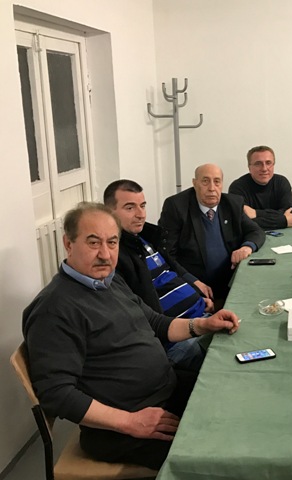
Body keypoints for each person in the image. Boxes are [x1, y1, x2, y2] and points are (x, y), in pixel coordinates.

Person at [22, 202, 240, 470]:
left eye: (112, 242)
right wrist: (131, 422)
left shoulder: (110, 281)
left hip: (166, 391)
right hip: (125, 424)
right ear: (68, 244)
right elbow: (56, 393)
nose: (105, 254)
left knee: (234, 399)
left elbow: (155, 322)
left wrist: (203, 324)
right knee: (223, 456)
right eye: (93, 243)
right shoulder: (54, 309)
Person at [104, 179, 215, 372]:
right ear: (109, 212)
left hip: (201, 316)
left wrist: (196, 296)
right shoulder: (115, 256)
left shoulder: (145, 238)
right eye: (130, 208)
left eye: (142, 206)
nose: (140, 214)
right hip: (178, 340)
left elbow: (170, 270)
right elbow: (141, 314)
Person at [159, 163, 265, 307]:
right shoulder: (176, 207)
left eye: (217, 181)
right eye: (205, 181)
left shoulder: (232, 203)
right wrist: (192, 281)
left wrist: (247, 247)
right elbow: (166, 254)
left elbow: (256, 231)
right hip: (194, 285)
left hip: (230, 281)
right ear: (194, 183)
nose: (211, 188)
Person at [228, 145, 292, 230]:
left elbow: (290, 213)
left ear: (273, 165)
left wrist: (255, 213)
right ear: (249, 167)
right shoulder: (237, 187)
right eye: (258, 164)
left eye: (268, 163)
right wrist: (283, 220)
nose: (264, 168)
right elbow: (241, 223)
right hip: (250, 235)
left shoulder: (281, 182)